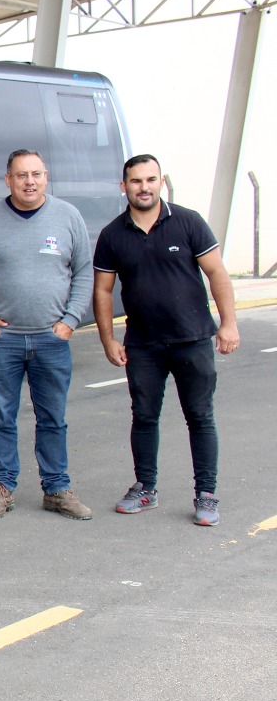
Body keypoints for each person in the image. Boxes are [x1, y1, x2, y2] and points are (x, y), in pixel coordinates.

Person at [93, 154, 239, 527]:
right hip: (143, 345)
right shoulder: (112, 235)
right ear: (123, 186)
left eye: (151, 179)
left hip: (193, 339)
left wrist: (228, 324)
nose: (144, 187)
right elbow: (103, 292)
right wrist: (109, 339)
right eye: (136, 181)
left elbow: (217, 274)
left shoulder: (188, 222)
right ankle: (145, 488)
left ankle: (206, 495)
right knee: (144, 417)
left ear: (161, 183)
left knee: (200, 417)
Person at [0, 149, 94, 520]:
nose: (29, 181)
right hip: (1, 340)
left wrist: (70, 320)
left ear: (45, 176)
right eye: (21, 175)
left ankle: (56, 489)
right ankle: (3, 486)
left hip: (51, 339)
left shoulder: (68, 216)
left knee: (53, 418)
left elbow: (83, 272)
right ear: (7, 179)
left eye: (35, 174)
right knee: (2, 417)